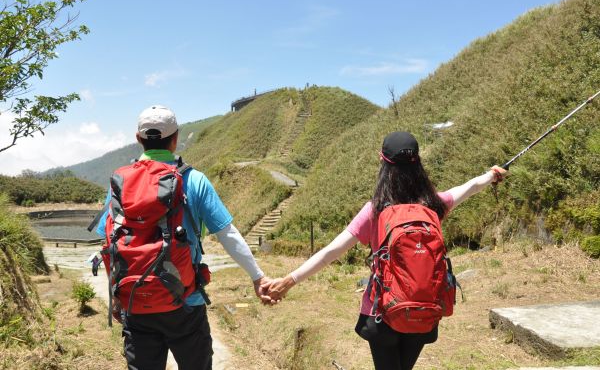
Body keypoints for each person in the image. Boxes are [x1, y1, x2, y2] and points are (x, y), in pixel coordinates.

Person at [264, 131, 507, 370]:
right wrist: (491, 175)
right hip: (424, 310)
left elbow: (331, 252)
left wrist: (289, 281)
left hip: (382, 313)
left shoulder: (375, 210)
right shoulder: (434, 205)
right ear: (418, 162)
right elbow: (470, 187)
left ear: (383, 162)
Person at [96, 105, 273, 370]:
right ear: (176, 137)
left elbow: (107, 240)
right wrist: (258, 277)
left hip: (136, 302)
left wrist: (117, 296)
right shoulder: (194, 180)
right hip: (185, 303)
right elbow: (227, 234)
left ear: (138, 138)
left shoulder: (121, 183)